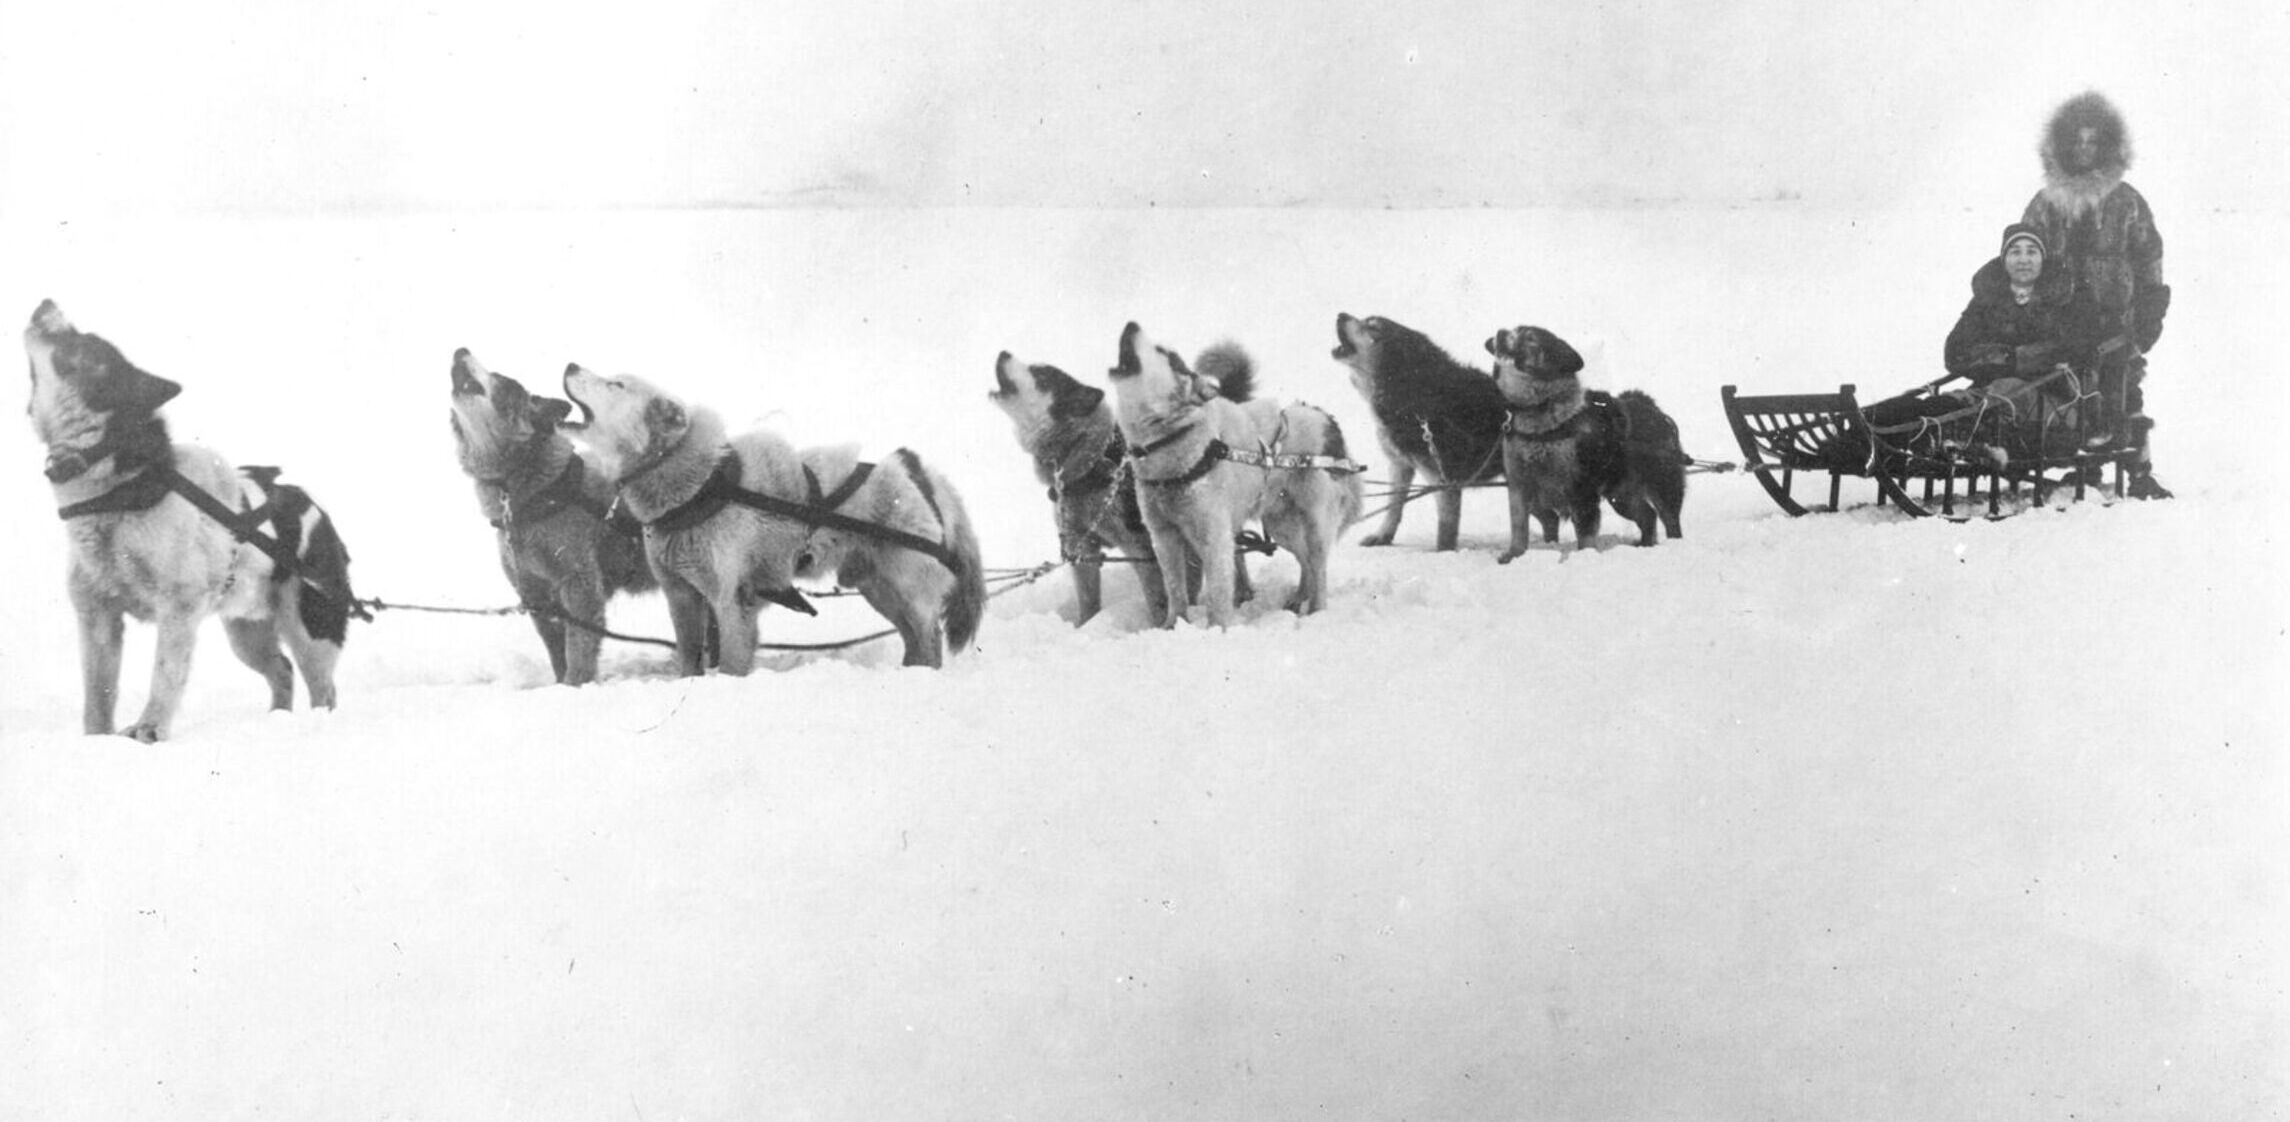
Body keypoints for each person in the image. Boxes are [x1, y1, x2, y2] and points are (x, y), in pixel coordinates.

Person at [2019, 91, 2171, 498]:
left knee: (2125, 389)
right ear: (2064, 145)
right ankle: (2083, 467)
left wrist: (2150, 312)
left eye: (2092, 141)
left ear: (2105, 145)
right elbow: (2025, 254)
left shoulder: (2127, 201)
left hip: (2116, 319)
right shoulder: (2046, 203)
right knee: (2069, 392)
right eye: (2077, 141)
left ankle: (2139, 471)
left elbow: (2149, 256)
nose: (2084, 149)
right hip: (2062, 320)